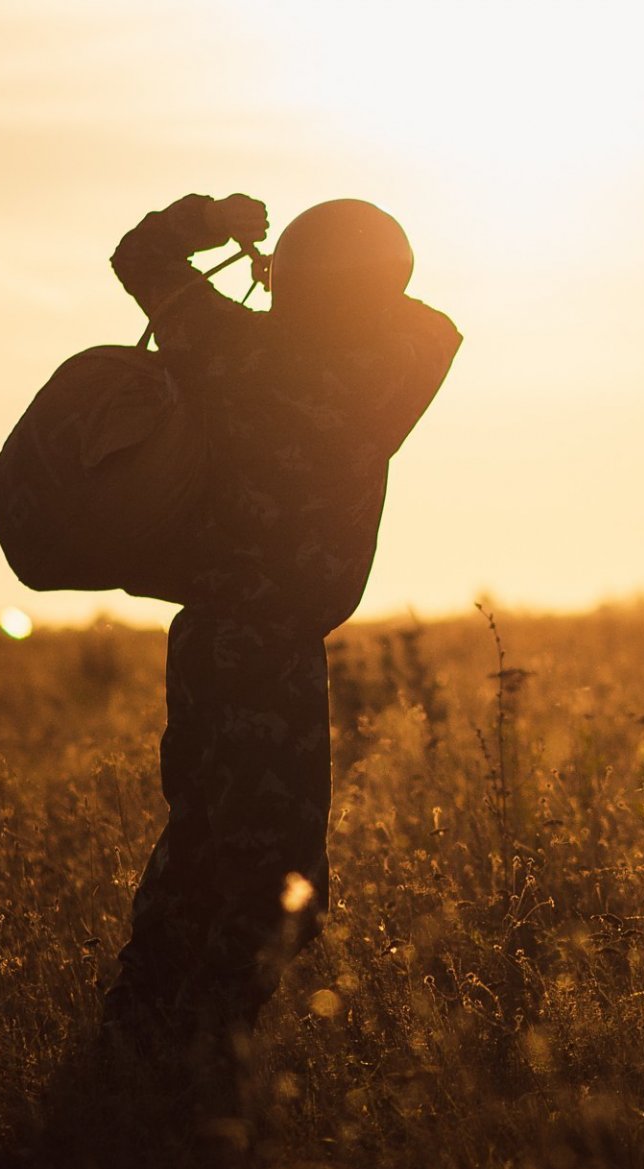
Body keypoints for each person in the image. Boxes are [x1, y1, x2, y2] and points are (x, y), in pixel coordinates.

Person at [100, 193, 461, 1068]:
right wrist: (334, 281)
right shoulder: (384, 373)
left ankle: (140, 1036)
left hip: (209, 638)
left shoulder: (229, 349)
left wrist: (220, 226)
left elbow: (140, 256)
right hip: (278, 649)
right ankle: (204, 1050)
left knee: (201, 838)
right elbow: (436, 323)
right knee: (272, 868)